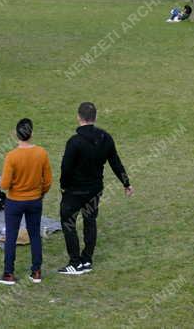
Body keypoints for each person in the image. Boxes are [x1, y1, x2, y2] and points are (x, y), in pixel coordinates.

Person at [58, 102, 132, 276]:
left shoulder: (74, 142)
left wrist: (63, 186)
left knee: (68, 222)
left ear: (78, 117)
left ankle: (75, 262)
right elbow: (115, 162)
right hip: (94, 190)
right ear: (95, 118)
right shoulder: (105, 138)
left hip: (74, 191)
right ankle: (87, 259)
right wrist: (126, 183)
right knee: (90, 221)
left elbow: (66, 167)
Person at [0, 118, 52, 286]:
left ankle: (8, 273)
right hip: (35, 200)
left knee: (11, 236)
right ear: (31, 133)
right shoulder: (41, 153)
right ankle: (36, 271)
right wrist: (40, 193)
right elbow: (48, 180)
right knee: (35, 234)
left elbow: (4, 184)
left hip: (14, 201)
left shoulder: (11, 156)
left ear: (16, 134)